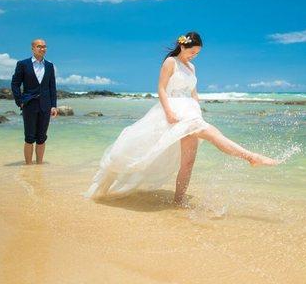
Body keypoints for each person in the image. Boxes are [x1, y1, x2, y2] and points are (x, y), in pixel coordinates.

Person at [85, 32, 278, 205]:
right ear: (183, 46)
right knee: (211, 134)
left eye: (197, 53)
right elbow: (161, 88)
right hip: (175, 111)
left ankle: (178, 201)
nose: (194, 56)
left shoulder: (192, 68)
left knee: (188, 162)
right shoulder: (171, 62)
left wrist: (198, 111)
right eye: (192, 52)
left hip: (191, 111)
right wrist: (169, 112)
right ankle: (251, 157)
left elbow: (193, 92)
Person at [11, 39, 58, 165]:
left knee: (42, 138)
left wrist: (53, 105)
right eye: (39, 46)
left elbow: (52, 87)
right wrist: (19, 101)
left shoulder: (49, 66)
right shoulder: (23, 64)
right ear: (33, 48)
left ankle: (39, 166)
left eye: (44, 46)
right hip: (29, 104)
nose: (42, 49)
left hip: (45, 105)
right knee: (29, 137)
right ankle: (28, 166)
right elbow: (15, 84)